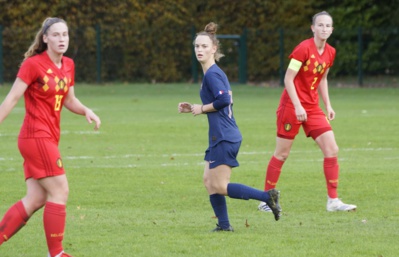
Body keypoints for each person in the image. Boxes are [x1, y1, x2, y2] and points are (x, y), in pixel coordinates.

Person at [0, 17, 101, 257]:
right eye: (55, 35)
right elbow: (12, 98)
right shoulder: (33, 64)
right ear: (45, 38)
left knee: (35, 198)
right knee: (60, 191)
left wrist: (86, 110)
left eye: (64, 34)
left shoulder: (68, 64)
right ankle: (56, 254)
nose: (61, 39)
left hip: (48, 138)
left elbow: (69, 99)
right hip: (35, 137)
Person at [178, 22, 281, 232]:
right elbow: (219, 102)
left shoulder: (212, 74)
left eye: (204, 46)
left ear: (214, 49)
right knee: (209, 180)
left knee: (220, 186)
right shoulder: (212, 73)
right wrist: (194, 108)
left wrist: (202, 108)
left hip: (224, 136)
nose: (200, 50)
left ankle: (267, 197)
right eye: (197, 46)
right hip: (221, 135)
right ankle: (224, 226)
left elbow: (224, 101)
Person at [258, 11, 356, 213]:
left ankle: (333, 201)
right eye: (320, 25)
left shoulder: (330, 52)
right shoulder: (303, 48)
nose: (324, 29)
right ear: (313, 28)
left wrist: (328, 105)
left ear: (332, 29)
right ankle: (265, 199)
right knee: (282, 153)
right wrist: (297, 105)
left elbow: (322, 79)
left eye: (328, 26)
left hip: (312, 107)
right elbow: (288, 79)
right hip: (291, 106)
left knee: (332, 149)